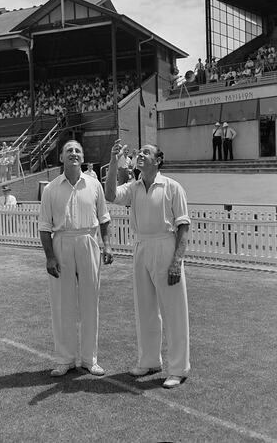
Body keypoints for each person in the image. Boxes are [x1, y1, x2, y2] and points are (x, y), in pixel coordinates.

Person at [105, 139, 191, 389]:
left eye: (146, 152)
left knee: (174, 311)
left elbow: (183, 226)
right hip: (141, 247)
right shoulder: (134, 187)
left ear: (158, 160)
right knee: (145, 308)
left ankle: (178, 368)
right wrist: (113, 161)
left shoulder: (173, 187)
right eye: (140, 152)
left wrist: (177, 261)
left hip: (166, 246)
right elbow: (110, 195)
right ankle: (149, 360)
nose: (140, 155)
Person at [38, 140, 113, 377]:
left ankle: (89, 359)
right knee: (62, 304)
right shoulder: (51, 189)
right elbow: (44, 226)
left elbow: (104, 218)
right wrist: (50, 257)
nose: (73, 153)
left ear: (82, 158)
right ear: (61, 157)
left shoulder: (94, 185)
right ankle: (65, 359)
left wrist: (107, 245)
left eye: (77, 151)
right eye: (68, 150)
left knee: (90, 302)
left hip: (88, 241)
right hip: (61, 242)